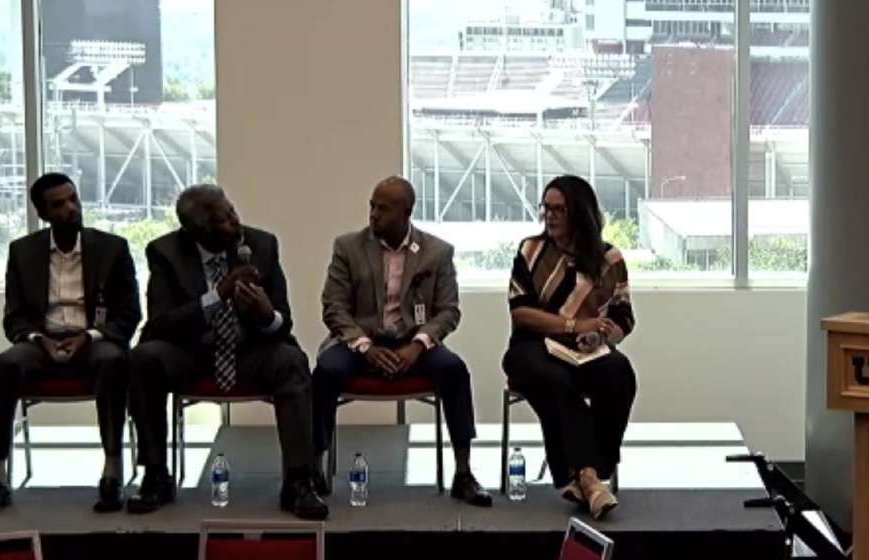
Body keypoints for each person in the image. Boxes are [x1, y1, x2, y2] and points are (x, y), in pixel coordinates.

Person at [126, 184, 327, 520]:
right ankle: (156, 476)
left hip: (249, 352)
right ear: (199, 231)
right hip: (191, 355)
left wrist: (266, 315)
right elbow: (160, 325)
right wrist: (217, 295)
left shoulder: (261, 244)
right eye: (226, 220)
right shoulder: (165, 253)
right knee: (144, 359)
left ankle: (298, 481)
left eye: (233, 211)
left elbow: (283, 323)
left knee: (292, 361)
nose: (237, 223)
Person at [313, 176, 491, 506]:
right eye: (372, 206)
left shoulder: (437, 252)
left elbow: (449, 311)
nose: (373, 214)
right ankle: (315, 468)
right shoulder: (348, 247)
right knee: (325, 371)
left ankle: (463, 472)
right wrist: (365, 347)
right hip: (360, 340)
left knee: (454, 370)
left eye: (383, 208)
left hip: (414, 342)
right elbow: (333, 308)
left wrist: (418, 345)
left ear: (406, 212)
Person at [0, 173, 141, 515]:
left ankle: (112, 471)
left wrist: (91, 335)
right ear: (43, 213)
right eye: (59, 205)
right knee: (3, 367)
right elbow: (14, 317)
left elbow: (129, 314)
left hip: (94, 339)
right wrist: (39, 339)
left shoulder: (112, 248)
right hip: (41, 343)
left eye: (74, 199)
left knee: (113, 361)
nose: (71, 209)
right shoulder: (22, 252)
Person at [502, 175, 636, 520]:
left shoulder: (609, 258)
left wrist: (602, 335)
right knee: (555, 379)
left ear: (580, 213)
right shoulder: (531, 251)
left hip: (585, 350)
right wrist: (574, 325)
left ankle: (586, 475)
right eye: (546, 208)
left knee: (619, 372)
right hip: (532, 347)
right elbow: (521, 314)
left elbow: (623, 317)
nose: (550, 216)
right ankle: (590, 478)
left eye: (558, 209)